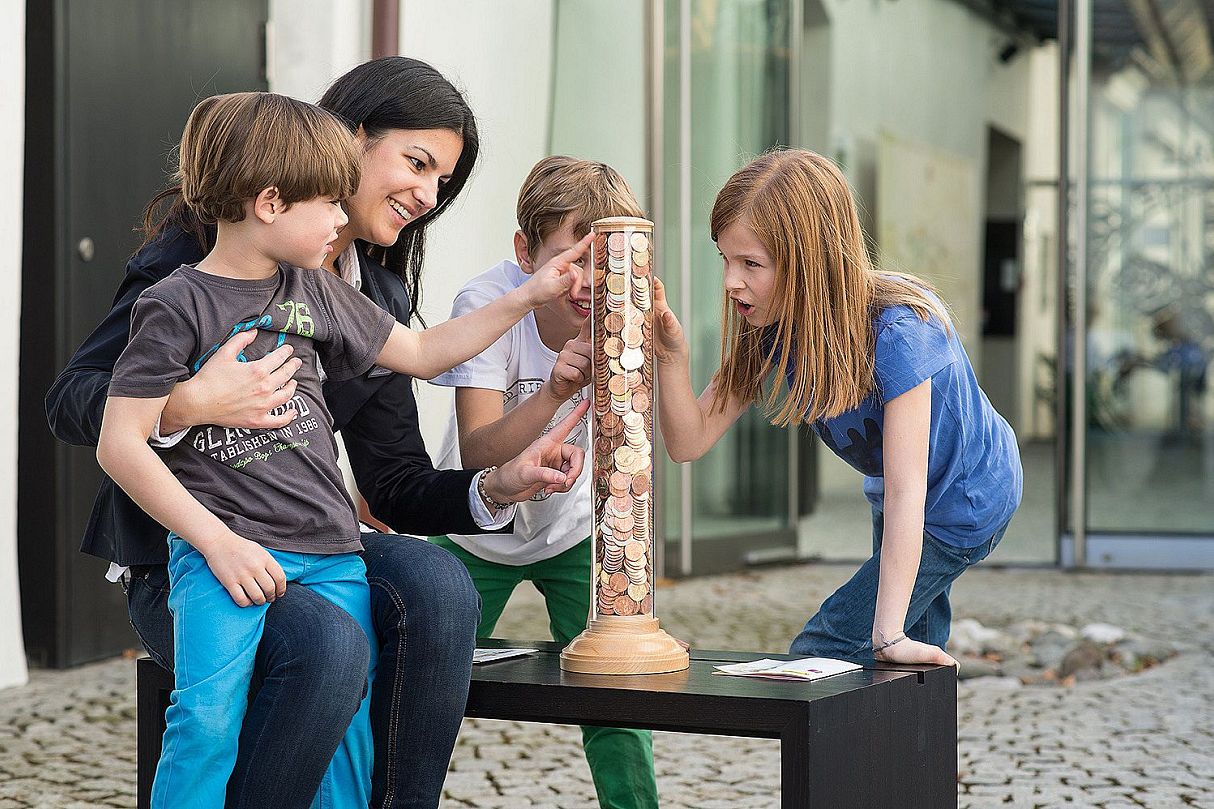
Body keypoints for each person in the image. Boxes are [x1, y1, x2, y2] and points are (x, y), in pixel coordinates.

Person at [45, 57, 579, 809]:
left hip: (313, 538)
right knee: (319, 650)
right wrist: (188, 402)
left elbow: (396, 473)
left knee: (439, 583)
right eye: (417, 164)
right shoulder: (188, 266)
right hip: (193, 548)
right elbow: (74, 402)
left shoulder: (359, 290)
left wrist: (499, 483)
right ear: (348, 141)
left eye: (443, 183)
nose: (428, 198)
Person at [653, 148, 1022, 667]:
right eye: (726, 259)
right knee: (908, 660)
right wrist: (671, 357)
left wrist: (886, 634)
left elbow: (908, 492)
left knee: (828, 648)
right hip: (900, 497)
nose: (732, 280)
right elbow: (688, 441)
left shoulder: (901, 331)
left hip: (966, 494)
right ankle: (909, 744)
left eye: (751, 264)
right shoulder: (773, 330)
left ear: (810, 261)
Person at [428, 156, 660, 809]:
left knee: (615, 690)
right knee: (421, 684)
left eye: (603, 259)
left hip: (572, 533)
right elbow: (477, 451)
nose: (589, 281)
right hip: (473, 529)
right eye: (570, 258)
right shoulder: (487, 303)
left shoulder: (621, 304)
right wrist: (557, 386)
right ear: (524, 251)